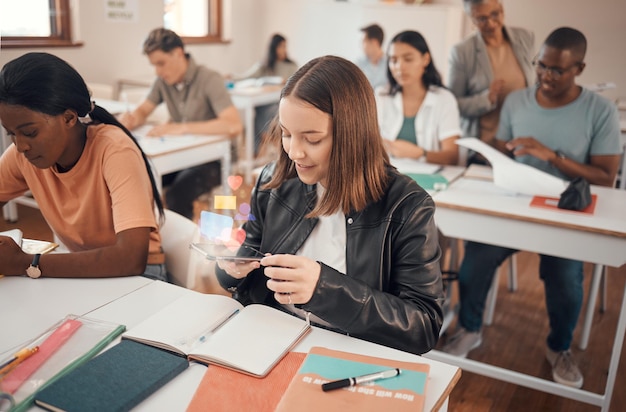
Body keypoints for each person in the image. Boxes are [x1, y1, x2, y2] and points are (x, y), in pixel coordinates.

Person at [213, 55, 444, 355]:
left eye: (312, 139)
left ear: (352, 135)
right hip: (273, 343)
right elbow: (251, 262)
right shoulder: (275, 181)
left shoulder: (407, 206)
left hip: (351, 356)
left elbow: (423, 327)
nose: (294, 152)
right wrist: (230, 269)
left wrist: (325, 289)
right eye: (286, 134)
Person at [442, 27, 622, 389]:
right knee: (474, 259)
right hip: (516, 202)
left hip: (565, 210)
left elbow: (606, 176)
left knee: (566, 279)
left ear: (579, 69)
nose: (545, 76)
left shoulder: (598, 110)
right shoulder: (518, 101)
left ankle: (559, 348)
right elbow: (508, 148)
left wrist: (550, 156)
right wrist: (492, 150)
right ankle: (469, 328)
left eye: (557, 70)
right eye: (541, 66)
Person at [0, 52, 167, 280]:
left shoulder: (114, 150)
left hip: (140, 277)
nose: (20, 145)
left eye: (30, 132)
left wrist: (25, 263)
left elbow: (131, 259)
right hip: (84, 272)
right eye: (11, 133)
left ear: (69, 118)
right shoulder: (23, 155)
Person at [120, 28, 243, 220]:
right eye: (154, 65)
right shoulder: (162, 82)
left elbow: (234, 125)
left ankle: (182, 246)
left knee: (177, 194)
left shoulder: (209, 79)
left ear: (178, 53)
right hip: (181, 156)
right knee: (141, 179)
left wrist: (182, 127)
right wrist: (131, 119)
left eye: (161, 63)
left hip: (214, 160)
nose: (158, 71)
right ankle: (152, 238)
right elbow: (143, 110)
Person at [448, 0, 534, 164]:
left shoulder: (525, 38)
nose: (491, 23)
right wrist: (486, 98)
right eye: (482, 19)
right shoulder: (462, 52)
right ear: (471, 19)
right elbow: (452, 104)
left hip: (521, 145)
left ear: (502, 9)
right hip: (484, 148)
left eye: (495, 14)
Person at [376, 30, 461, 166]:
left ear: (425, 59)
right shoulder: (382, 96)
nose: (399, 67)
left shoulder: (444, 99)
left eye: (408, 59)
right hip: (389, 177)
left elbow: (451, 157)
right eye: (393, 60)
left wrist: (419, 153)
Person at [233, 33, 298, 155]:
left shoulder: (291, 66)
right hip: (262, 105)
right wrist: (230, 78)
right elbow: (246, 77)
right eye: (280, 46)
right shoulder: (264, 66)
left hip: (280, 103)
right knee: (258, 111)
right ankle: (259, 150)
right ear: (273, 48)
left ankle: (262, 145)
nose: (283, 50)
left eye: (285, 46)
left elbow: (296, 86)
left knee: (268, 112)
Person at [355, 24, 388, 90]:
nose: (360, 46)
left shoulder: (390, 64)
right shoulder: (358, 64)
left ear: (374, 42)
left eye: (363, 41)